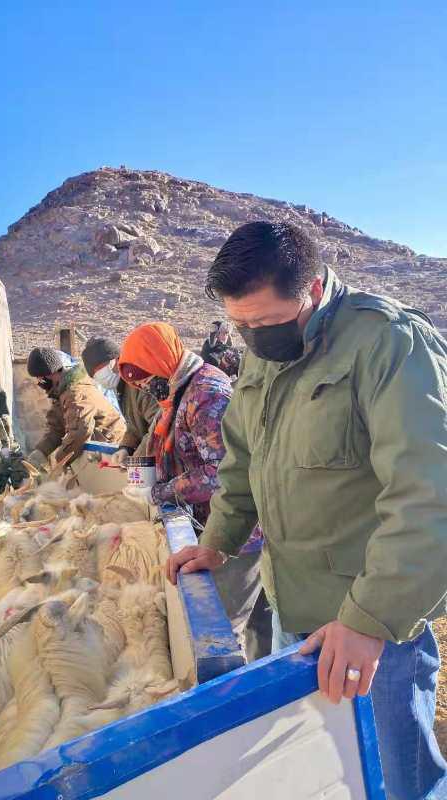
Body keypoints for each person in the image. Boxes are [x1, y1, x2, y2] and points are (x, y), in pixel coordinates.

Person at [166, 221, 447, 800]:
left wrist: (370, 620)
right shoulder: (265, 355)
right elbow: (244, 459)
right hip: (294, 609)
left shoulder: (386, 343)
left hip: (371, 625)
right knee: (323, 767)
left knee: (398, 780)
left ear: (313, 289)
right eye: (240, 325)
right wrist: (218, 538)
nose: (254, 337)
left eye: (267, 323)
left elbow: (430, 493)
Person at [118, 322, 232, 529]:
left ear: (160, 362)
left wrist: (159, 493)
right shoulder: (176, 391)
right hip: (201, 517)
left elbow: (221, 473)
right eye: (141, 387)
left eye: (149, 380)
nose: (148, 389)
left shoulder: (206, 396)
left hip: (226, 528)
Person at [26, 346, 126, 468]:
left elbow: (80, 432)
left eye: (39, 377)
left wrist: (59, 461)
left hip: (110, 450)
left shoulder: (75, 393)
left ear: (50, 373)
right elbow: (56, 429)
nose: (39, 382)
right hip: (96, 450)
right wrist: (40, 453)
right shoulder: (62, 392)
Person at [81, 335, 159, 465]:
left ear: (116, 360)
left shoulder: (139, 384)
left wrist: (136, 460)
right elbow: (135, 426)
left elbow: (158, 427)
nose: (99, 374)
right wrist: (126, 448)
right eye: (94, 373)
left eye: (100, 368)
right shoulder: (122, 388)